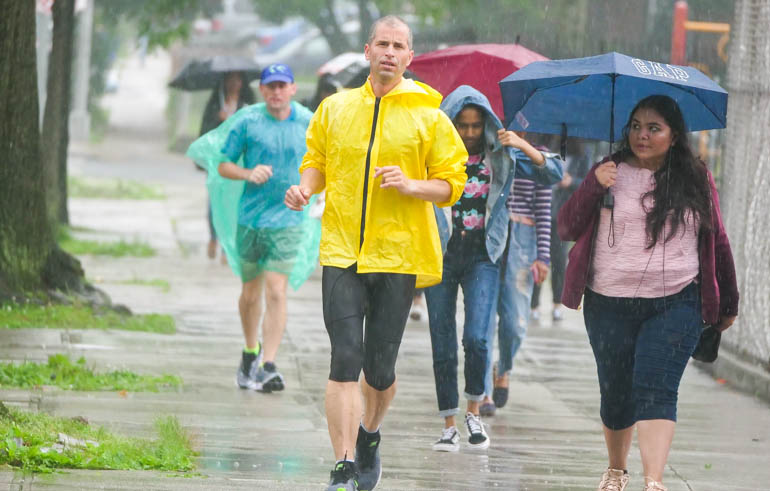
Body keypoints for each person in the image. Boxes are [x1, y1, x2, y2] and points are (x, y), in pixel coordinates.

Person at [284, 16, 468, 491]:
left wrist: (412, 185)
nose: (389, 52)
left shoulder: (430, 116)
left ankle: (369, 435)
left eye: (398, 45)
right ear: (368, 51)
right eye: (382, 43)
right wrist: (304, 190)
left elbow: (453, 183)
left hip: (397, 255)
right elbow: (316, 162)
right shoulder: (336, 108)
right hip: (342, 249)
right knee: (344, 358)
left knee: (379, 370)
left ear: (410, 57)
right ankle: (343, 465)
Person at [557, 95, 738, 491]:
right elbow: (567, 227)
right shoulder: (608, 171)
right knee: (616, 391)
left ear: (674, 136)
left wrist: (728, 302)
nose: (642, 134)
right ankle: (617, 469)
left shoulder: (696, 177)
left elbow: (718, 240)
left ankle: (653, 482)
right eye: (636, 125)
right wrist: (593, 184)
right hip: (608, 303)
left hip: (677, 301)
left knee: (656, 385)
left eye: (654, 128)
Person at [425, 85, 563, 452]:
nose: (469, 132)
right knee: (441, 342)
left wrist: (520, 144)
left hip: (484, 256)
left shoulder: (500, 155)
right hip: (441, 255)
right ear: (449, 124)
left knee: (477, 337)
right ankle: (448, 424)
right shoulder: (431, 155)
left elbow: (554, 172)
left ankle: (473, 410)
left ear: (485, 124)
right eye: (462, 125)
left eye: (475, 125)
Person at [189, 63, 318, 394]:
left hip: (289, 219)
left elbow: (325, 162)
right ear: (262, 91)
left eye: (282, 86)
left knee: (276, 289)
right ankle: (250, 351)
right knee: (250, 293)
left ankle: (269, 364)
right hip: (250, 220)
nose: (276, 92)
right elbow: (223, 165)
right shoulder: (247, 121)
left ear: (292, 89)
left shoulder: (308, 122)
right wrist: (247, 174)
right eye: (270, 86)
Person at [480, 133, 555, 417]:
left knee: (514, 322)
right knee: (483, 320)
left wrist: (544, 256)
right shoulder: (490, 148)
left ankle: (505, 367)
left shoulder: (539, 154)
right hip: (489, 234)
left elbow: (544, 209)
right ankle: (484, 389)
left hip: (523, 241)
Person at [530, 138, 594, 323]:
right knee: (538, 258)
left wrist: (571, 181)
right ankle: (534, 305)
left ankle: (557, 304)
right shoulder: (546, 149)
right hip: (541, 211)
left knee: (558, 262)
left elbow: (588, 182)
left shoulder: (583, 153)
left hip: (564, 215)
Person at [199, 71, 256, 262]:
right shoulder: (216, 103)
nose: (234, 83)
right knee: (214, 202)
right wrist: (218, 120)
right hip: (217, 160)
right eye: (230, 79)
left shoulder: (248, 105)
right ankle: (213, 238)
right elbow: (205, 131)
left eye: (238, 79)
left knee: (232, 204)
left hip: (237, 162)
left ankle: (226, 247)